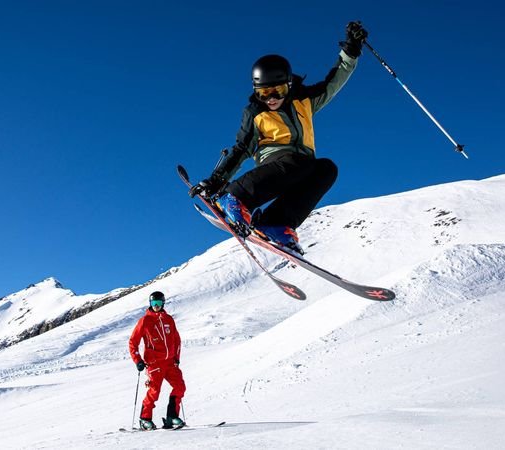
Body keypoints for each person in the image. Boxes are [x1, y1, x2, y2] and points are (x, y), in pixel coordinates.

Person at [189, 21, 369, 254]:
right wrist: (216, 181)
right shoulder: (255, 113)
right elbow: (241, 149)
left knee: (326, 168)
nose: (271, 99)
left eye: (278, 92)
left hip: (301, 163)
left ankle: (276, 222)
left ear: (289, 85)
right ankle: (236, 197)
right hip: (275, 163)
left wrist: (351, 50)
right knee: (300, 162)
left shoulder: (304, 100)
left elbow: (334, 82)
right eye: (264, 93)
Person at [128, 291, 186, 430]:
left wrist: (176, 358)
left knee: (180, 387)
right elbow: (133, 342)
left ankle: (172, 417)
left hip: (170, 362)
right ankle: (145, 419)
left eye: (159, 303)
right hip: (154, 363)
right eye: (154, 303)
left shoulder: (169, 320)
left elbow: (176, 340)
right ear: (150, 304)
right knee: (154, 391)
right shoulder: (145, 321)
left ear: (163, 303)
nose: (156, 306)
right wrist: (138, 360)